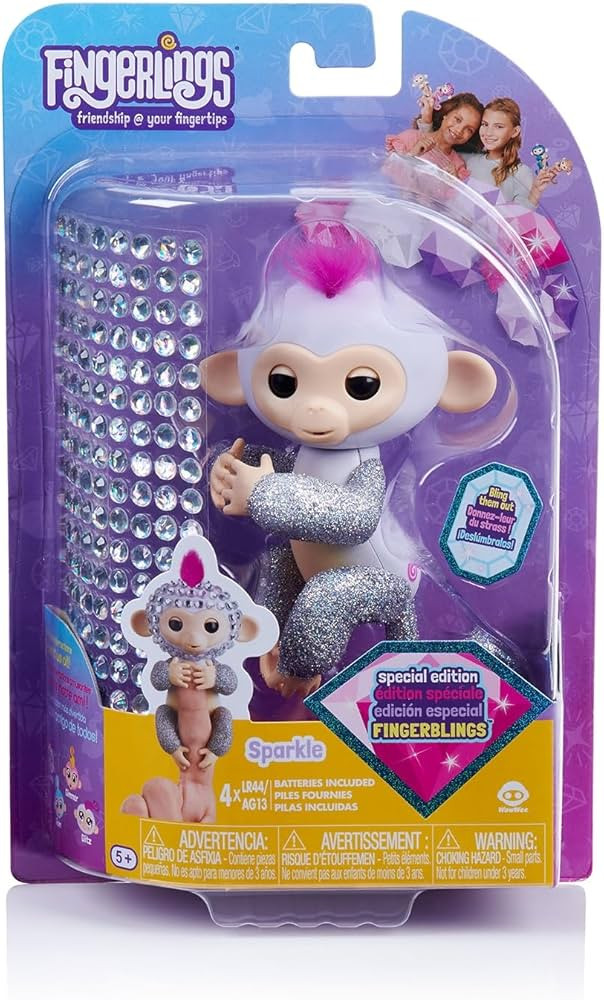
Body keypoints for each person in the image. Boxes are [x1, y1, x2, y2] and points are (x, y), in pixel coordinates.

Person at [385, 92, 483, 180]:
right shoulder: (410, 138)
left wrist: (453, 182)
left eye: (469, 130)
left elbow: (453, 195)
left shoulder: (457, 165)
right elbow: (385, 173)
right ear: (446, 114)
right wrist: (412, 154)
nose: (459, 130)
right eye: (457, 119)